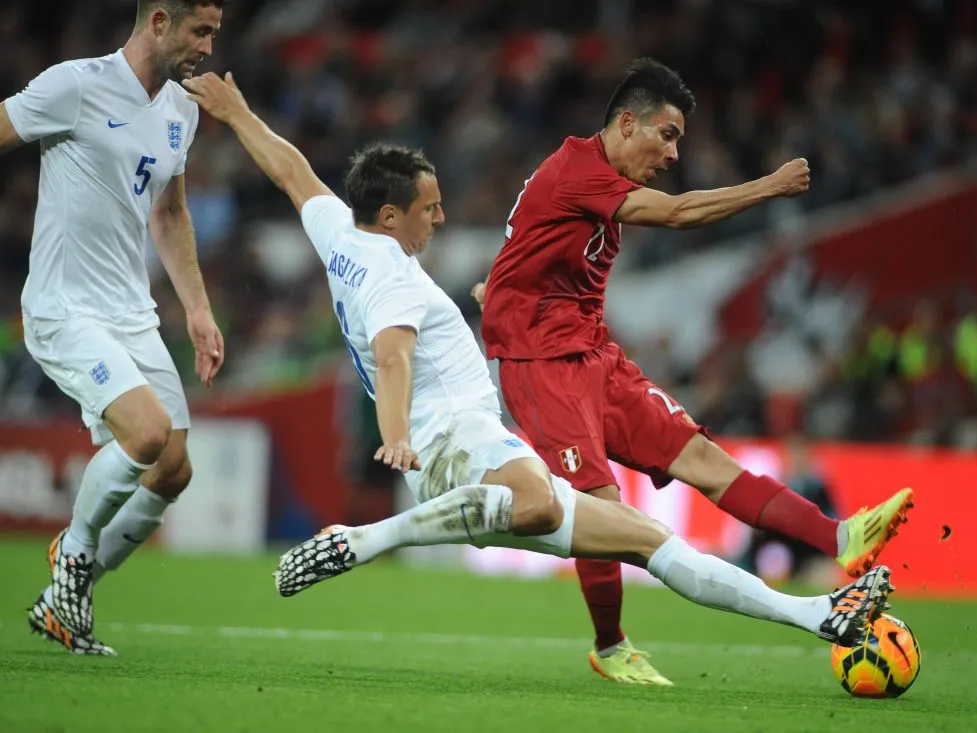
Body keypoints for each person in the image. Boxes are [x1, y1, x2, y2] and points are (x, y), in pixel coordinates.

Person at [181, 71, 895, 681]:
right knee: (544, 501)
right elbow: (394, 351)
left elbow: (291, 170)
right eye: (431, 208)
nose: (442, 217)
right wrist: (394, 434)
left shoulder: (343, 236)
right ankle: (368, 539)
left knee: (645, 537)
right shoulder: (395, 277)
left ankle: (814, 611)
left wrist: (236, 112)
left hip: (496, 420)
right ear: (393, 215)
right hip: (459, 440)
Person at [472, 57, 914, 683]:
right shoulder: (578, 171)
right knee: (602, 509)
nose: (674, 154)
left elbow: (529, 241)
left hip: (594, 354)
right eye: (668, 135)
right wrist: (770, 186)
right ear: (628, 124)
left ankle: (838, 538)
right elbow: (677, 215)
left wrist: (499, 284)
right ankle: (610, 643)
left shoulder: (584, 177)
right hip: (540, 365)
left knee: (704, 459)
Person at [0, 0, 227, 655]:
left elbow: (172, 216)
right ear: (159, 21)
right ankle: (71, 558)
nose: (209, 47)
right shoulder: (73, 84)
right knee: (149, 433)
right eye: (200, 30)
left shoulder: (180, 111)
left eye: (215, 32)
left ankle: (63, 599)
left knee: (174, 467)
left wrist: (200, 309)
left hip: (131, 313)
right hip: (64, 307)